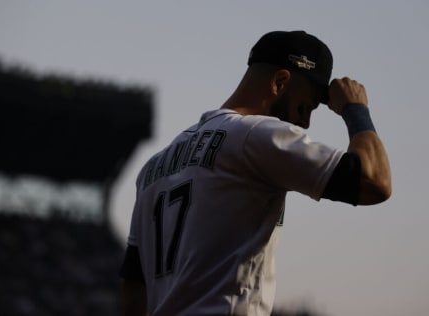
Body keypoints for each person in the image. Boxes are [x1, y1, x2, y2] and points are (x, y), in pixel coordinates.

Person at [119, 30, 391, 315]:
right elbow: (375, 181)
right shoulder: (253, 135)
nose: (305, 122)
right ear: (280, 82)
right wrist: (356, 110)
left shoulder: (153, 168)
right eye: (305, 107)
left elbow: (134, 291)